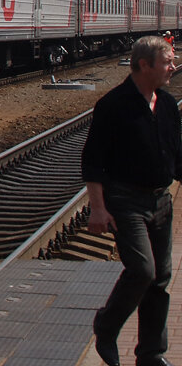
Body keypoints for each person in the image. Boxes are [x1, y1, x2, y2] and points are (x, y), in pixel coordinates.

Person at [82, 35, 182, 366]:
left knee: (161, 278)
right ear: (143, 65)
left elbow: (176, 156)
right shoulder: (113, 105)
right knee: (142, 270)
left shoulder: (167, 105)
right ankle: (107, 326)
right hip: (125, 201)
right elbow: (93, 162)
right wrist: (98, 207)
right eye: (167, 61)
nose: (173, 67)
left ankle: (151, 354)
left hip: (161, 202)